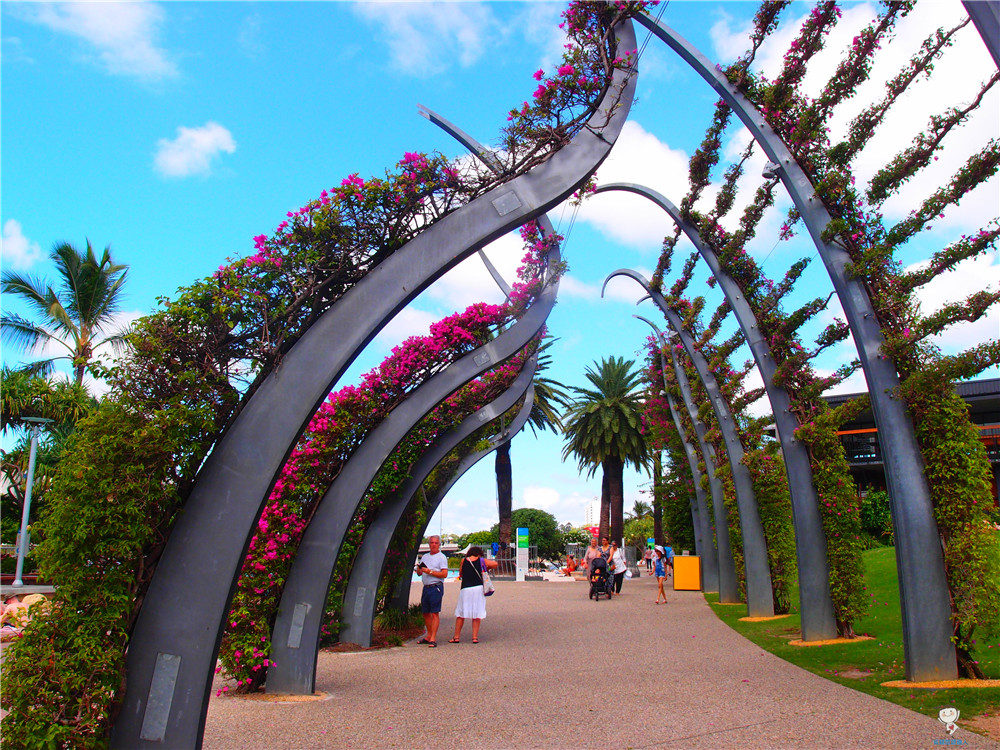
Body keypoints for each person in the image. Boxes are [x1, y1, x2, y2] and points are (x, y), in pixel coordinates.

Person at [450, 546, 498, 644]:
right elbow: (495, 564)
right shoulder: (481, 560)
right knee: (477, 613)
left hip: (466, 589)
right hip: (478, 589)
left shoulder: (464, 560)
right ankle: (474, 637)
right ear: (479, 553)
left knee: (461, 613)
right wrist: (486, 567)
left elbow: (461, 573)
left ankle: (456, 637)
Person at [416, 535, 448, 647]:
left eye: (435, 543)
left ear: (439, 544)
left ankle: (433, 638)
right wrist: (419, 569)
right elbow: (419, 573)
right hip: (426, 587)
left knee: (434, 612)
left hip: (436, 587)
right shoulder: (424, 557)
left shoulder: (442, 557)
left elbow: (444, 574)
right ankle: (429, 635)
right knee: (425, 612)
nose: (433, 544)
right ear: (428, 544)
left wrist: (430, 572)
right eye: (431, 542)